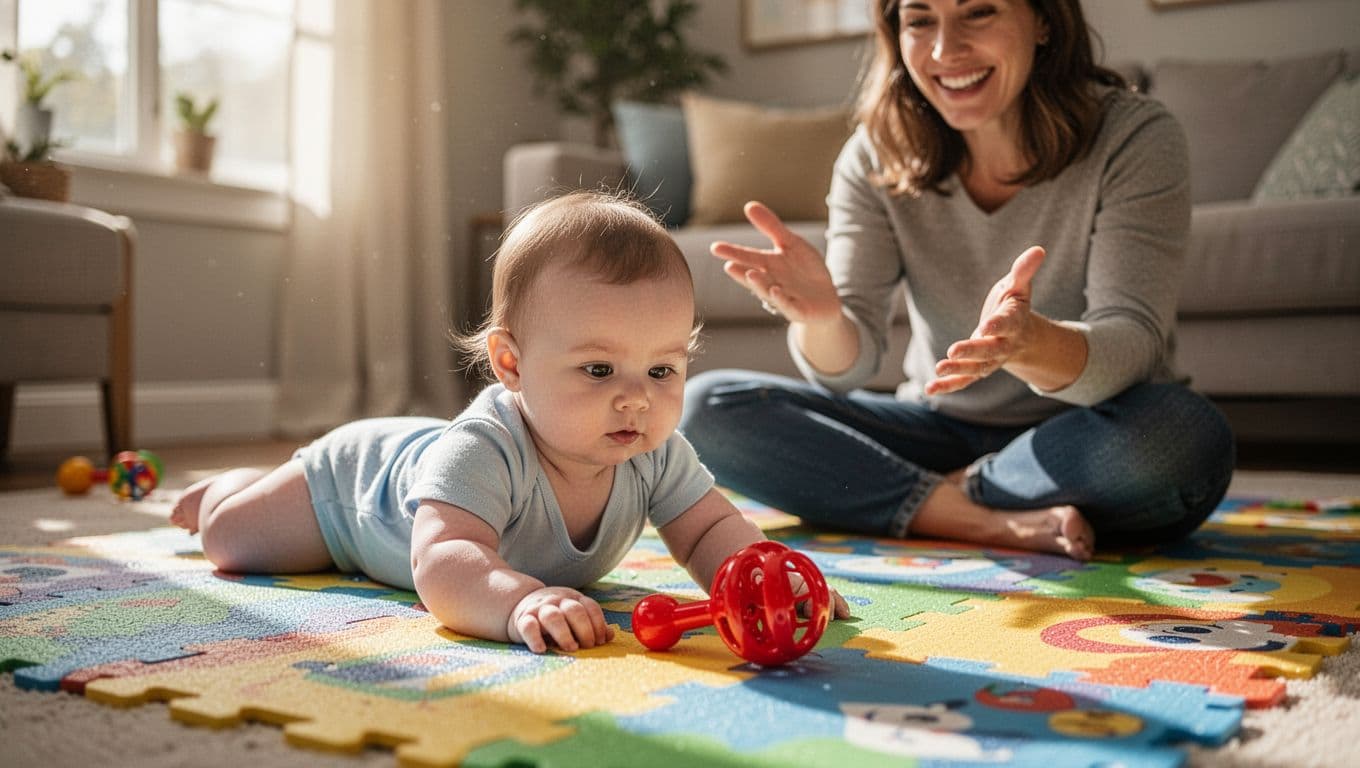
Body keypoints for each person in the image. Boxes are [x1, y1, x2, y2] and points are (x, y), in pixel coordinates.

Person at [170, 191, 849, 654]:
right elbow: (443, 565)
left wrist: (764, 577)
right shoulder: (484, 450)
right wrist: (520, 602)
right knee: (231, 540)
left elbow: (709, 530)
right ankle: (232, 485)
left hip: (401, 461)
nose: (637, 400)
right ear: (511, 365)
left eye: (662, 371)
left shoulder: (653, 449)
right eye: (599, 371)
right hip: (352, 488)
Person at [679, 0, 1234, 562]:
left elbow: (1134, 342)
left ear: (1044, 19)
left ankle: (930, 497)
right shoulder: (873, 156)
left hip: (1088, 432)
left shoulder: (1134, 136)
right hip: (939, 426)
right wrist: (823, 320)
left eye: (979, 12)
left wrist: (1027, 343)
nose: (946, 50)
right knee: (705, 407)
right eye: (920, 20)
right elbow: (850, 369)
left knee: (1184, 441)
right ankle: (980, 519)